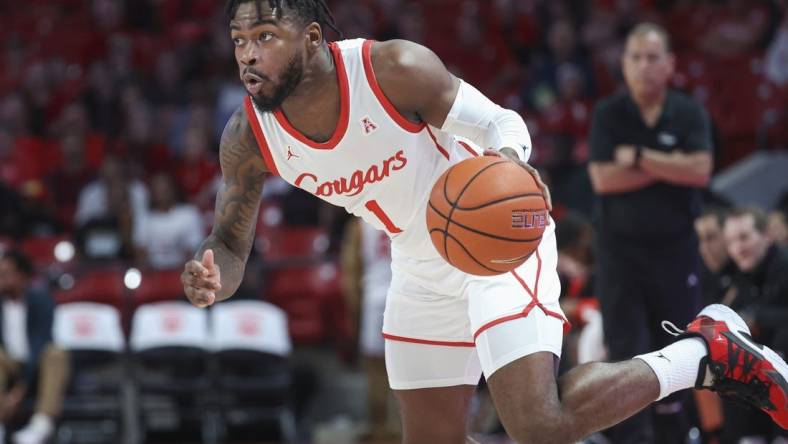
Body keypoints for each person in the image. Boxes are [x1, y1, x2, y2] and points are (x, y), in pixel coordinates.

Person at [181, 3, 788, 443]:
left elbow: (504, 125)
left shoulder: (391, 68)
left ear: (311, 38)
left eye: (265, 35)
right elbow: (230, 243)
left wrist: (508, 165)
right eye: (239, 41)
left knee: (536, 423)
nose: (249, 54)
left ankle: (704, 354)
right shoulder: (247, 137)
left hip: (494, 239)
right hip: (418, 264)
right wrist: (215, 275)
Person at [587, 23, 716, 443]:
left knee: (677, 345)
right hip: (618, 251)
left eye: (653, 57)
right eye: (636, 57)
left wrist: (639, 157)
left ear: (670, 64)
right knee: (624, 344)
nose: (645, 66)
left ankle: (678, 434)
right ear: (624, 65)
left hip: (675, 249)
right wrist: (668, 164)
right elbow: (604, 179)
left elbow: (699, 170)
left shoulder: (689, 111)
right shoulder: (608, 113)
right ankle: (630, 436)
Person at [721, 207, 788, 443]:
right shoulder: (738, 282)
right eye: (731, 242)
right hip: (764, 392)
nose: (738, 248)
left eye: (744, 237)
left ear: (767, 235)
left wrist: (758, 317)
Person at [0, 251, 69, 444]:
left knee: (56, 353)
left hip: (36, 366)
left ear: (21, 276)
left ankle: (42, 424)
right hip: (9, 365)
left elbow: (40, 345)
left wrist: (19, 390)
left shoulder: (41, 301)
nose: (0, 278)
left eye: (5, 274)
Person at [341, 218, 398, 441]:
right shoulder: (407, 211)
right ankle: (402, 430)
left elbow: (351, 273)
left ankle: (379, 428)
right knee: (406, 371)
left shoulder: (359, 224)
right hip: (405, 299)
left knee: (375, 373)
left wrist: (355, 314)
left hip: (374, 299)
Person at [695, 206, 737, 306]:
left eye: (711, 238)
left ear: (727, 235)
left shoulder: (746, 274)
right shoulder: (696, 278)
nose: (704, 248)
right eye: (700, 240)